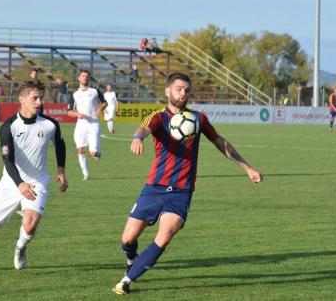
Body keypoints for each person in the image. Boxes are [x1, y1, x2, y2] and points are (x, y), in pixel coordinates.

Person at [112, 72, 263, 295]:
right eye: (179, 89)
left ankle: (125, 281)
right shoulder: (158, 117)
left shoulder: (198, 119)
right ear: (168, 91)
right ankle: (131, 257)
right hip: (154, 187)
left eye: (187, 90)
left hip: (181, 192)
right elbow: (143, 128)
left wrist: (247, 167)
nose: (183, 94)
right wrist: (137, 138)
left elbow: (220, 142)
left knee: (163, 237)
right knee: (127, 239)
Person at [0, 81, 68, 274]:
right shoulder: (8, 127)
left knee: (29, 225)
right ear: (22, 100)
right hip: (10, 183)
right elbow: (7, 160)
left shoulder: (50, 124)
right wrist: (19, 184)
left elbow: (60, 145)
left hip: (38, 182)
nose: (38, 102)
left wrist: (61, 170)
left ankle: (20, 247)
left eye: (40, 98)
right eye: (34, 98)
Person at [67, 70, 107, 180]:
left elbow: (105, 102)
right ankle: (86, 174)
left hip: (93, 124)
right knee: (80, 149)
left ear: (88, 79)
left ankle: (97, 153)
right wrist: (77, 114)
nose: (85, 78)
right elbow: (69, 111)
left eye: (87, 76)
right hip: (81, 125)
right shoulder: (75, 94)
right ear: (79, 78)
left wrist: (100, 109)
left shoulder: (94, 91)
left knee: (93, 153)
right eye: (83, 76)